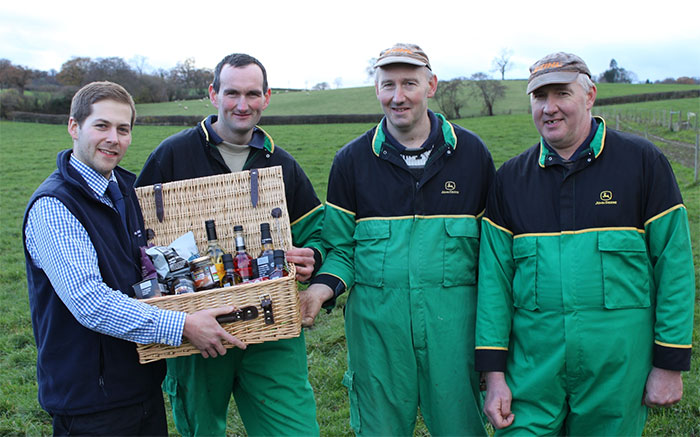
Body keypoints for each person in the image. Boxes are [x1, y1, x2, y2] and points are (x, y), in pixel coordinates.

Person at [475, 52, 695, 436]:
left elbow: (674, 268)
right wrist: (493, 375)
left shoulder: (643, 164)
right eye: (539, 97)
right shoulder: (509, 180)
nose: (550, 108)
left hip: (615, 375)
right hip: (532, 374)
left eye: (562, 93)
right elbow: (493, 285)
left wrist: (669, 364)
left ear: (590, 95)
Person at [23, 81, 246, 436]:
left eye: (123, 129)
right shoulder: (55, 207)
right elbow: (89, 302)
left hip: (139, 385)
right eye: (102, 126)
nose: (114, 138)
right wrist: (183, 326)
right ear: (73, 127)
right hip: (90, 402)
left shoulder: (125, 191)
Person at [302, 43, 494, 436]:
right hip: (376, 332)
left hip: (454, 329)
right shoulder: (351, 161)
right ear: (376, 89)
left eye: (410, 83)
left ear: (431, 85)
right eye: (388, 84)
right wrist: (320, 290)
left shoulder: (473, 155)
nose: (398, 96)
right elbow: (342, 248)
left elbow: (492, 257)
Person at [135, 53, 325, 436]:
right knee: (200, 430)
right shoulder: (172, 154)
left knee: (295, 429)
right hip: (196, 332)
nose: (243, 104)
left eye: (253, 94)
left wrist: (312, 257)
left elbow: (318, 232)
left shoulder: (281, 163)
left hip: (272, 323)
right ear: (213, 94)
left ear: (267, 97)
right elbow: (134, 234)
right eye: (232, 92)